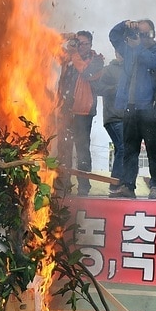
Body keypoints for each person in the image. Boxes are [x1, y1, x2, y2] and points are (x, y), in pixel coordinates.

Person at [109, 19, 156, 199]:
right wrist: (125, 25)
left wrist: (137, 47)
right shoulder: (129, 50)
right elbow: (113, 36)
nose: (143, 37)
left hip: (151, 109)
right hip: (130, 108)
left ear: (153, 34)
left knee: (153, 149)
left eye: (146, 34)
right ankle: (128, 185)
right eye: (140, 34)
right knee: (130, 150)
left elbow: (153, 62)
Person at [56, 31, 104, 196]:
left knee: (82, 149)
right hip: (65, 110)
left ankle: (84, 186)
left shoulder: (97, 61)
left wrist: (74, 53)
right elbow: (50, 47)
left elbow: (86, 72)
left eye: (85, 43)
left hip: (83, 112)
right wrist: (64, 38)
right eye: (78, 43)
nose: (81, 46)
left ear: (90, 45)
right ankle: (63, 184)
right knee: (64, 148)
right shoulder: (69, 57)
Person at [97, 50, 125, 194]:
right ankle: (115, 183)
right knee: (123, 147)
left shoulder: (132, 68)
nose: (122, 54)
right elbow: (99, 88)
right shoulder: (109, 70)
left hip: (128, 117)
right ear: (116, 53)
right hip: (114, 117)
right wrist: (117, 88)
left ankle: (122, 184)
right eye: (120, 51)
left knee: (124, 148)